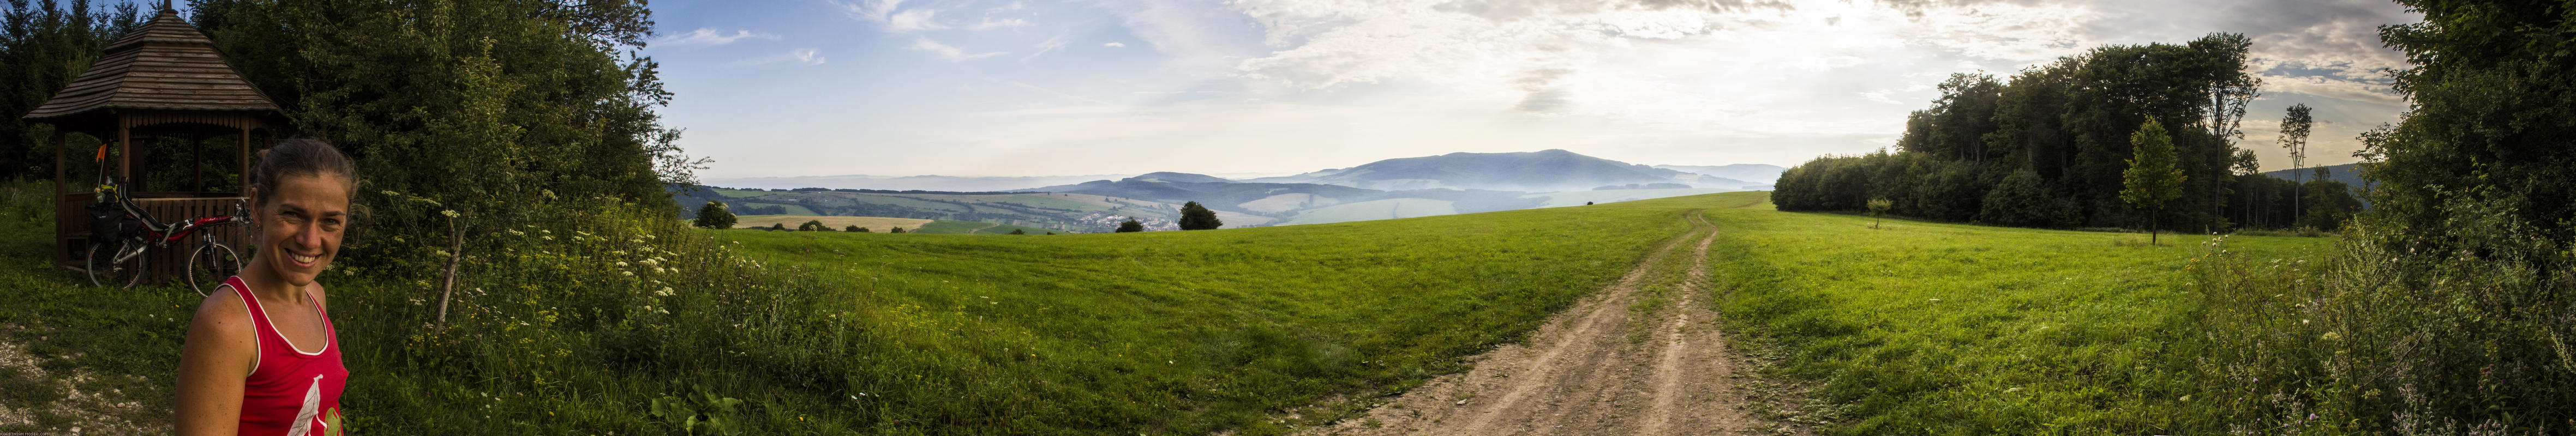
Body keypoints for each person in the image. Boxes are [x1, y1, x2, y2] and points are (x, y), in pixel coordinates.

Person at [175, 138, 357, 435]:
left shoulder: (315, 296)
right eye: (293, 215)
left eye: (330, 221)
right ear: (257, 208)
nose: (311, 240)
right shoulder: (227, 325)